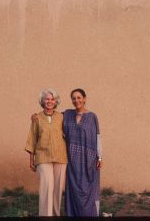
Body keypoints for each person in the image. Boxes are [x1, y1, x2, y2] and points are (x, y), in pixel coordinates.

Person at [32, 88, 103, 216]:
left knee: (82, 188)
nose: (76, 100)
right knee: (72, 190)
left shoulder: (92, 117)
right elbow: (49, 116)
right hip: (71, 160)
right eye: (74, 98)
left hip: (87, 160)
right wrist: (36, 116)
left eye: (79, 97)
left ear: (84, 99)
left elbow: (97, 136)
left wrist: (99, 157)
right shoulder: (67, 115)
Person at [25, 88, 68, 216]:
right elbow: (32, 139)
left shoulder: (62, 116)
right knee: (47, 188)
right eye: (47, 99)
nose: (49, 101)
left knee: (57, 190)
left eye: (52, 99)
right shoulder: (36, 118)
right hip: (42, 157)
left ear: (55, 101)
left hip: (61, 157)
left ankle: (55, 214)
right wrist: (31, 160)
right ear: (42, 101)